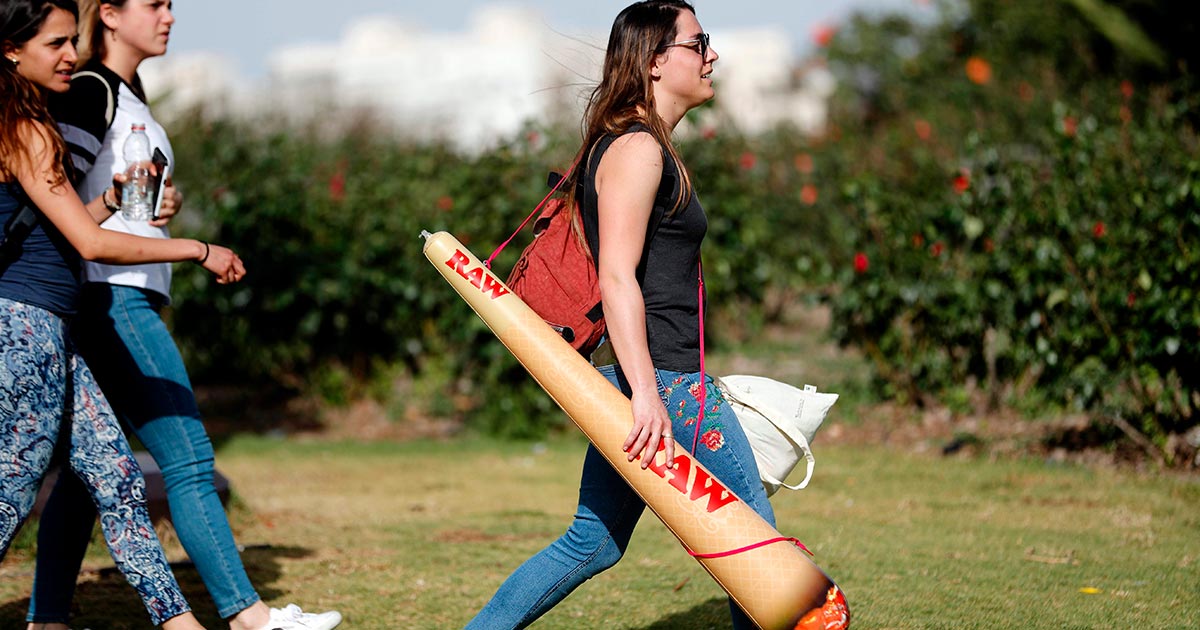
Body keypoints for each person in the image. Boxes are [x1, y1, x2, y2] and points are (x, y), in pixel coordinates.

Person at [24, 2, 343, 630]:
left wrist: (136, 200)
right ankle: (250, 618)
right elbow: (52, 196)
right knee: (190, 457)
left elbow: (96, 195)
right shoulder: (93, 91)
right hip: (112, 294)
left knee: (89, 474)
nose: (169, 16)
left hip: (113, 293)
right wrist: (122, 209)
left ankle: (47, 619)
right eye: (154, 5)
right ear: (110, 16)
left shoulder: (125, 93)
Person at [464, 2, 775, 629]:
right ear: (658, 62)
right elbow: (616, 279)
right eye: (699, 42)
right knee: (757, 549)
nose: (712, 55)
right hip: (667, 387)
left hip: (648, 383)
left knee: (593, 542)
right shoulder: (637, 148)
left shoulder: (641, 143)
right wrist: (648, 395)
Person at [0, 0, 246, 628]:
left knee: (117, 478)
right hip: (23, 326)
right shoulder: (23, 127)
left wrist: (112, 198)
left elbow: (69, 227)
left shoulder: (29, 122)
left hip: (53, 328)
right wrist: (198, 248)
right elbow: (89, 245)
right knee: (12, 492)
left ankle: (178, 624)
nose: (69, 55)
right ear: (10, 51)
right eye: (55, 44)